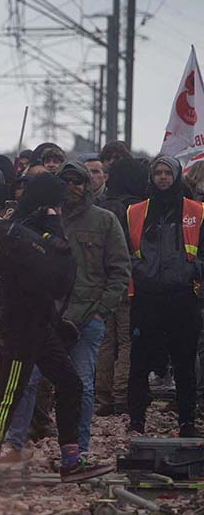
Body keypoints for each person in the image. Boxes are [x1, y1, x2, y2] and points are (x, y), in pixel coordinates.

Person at [0, 173, 114, 483]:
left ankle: (71, 460)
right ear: (46, 203)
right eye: (56, 204)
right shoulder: (22, 230)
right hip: (21, 328)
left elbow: (55, 272)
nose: (59, 210)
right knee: (8, 398)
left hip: (42, 324)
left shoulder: (33, 228)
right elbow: (38, 265)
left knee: (70, 384)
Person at [0, 160, 130, 462]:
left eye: (78, 181)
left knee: (81, 384)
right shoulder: (42, 220)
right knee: (27, 382)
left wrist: (101, 311)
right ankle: (13, 444)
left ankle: (77, 450)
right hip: (46, 317)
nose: (73, 187)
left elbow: (120, 271)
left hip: (86, 319)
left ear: (87, 185)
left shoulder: (105, 221)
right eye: (66, 181)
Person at [126, 156, 204, 436]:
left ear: (176, 176)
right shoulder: (134, 212)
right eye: (157, 173)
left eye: (167, 173)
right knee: (140, 362)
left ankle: (186, 421)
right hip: (147, 297)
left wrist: (190, 271)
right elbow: (125, 253)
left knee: (184, 362)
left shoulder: (197, 211)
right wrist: (141, 271)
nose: (162, 178)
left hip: (182, 296)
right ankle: (136, 421)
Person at [95, 157, 148, 415]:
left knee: (105, 340)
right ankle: (121, 394)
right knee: (127, 340)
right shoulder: (137, 208)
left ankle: (103, 397)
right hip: (129, 281)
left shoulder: (101, 206)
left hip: (102, 282)